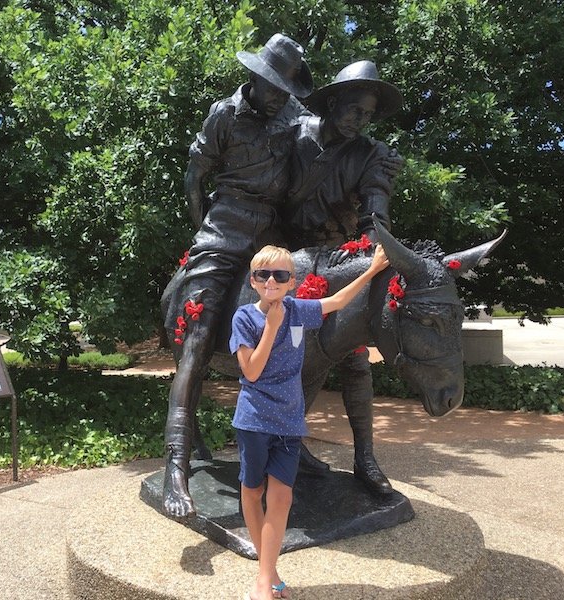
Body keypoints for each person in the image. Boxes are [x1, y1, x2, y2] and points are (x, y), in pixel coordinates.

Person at [162, 34, 314, 519]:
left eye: (284, 90)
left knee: (297, 329)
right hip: (224, 229)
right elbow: (195, 174)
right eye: (272, 86)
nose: (277, 96)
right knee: (199, 336)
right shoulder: (223, 114)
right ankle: (175, 468)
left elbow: (322, 144)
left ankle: (291, 438)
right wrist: (204, 229)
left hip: (272, 233)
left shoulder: (292, 119)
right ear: (255, 77)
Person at [231, 243, 390, 600]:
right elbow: (251, 371)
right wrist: (272, 327)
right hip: (255, 419)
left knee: (282, 497)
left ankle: (262, 580)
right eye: (263, 275)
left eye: (281, 275)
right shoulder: (244, 317)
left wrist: (373, 269)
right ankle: (269, 572)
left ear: (292, 282)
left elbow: (336, 302)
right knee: (253, 491)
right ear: (254, 280)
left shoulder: (298, 310)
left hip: (288, 421)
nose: (271, 281)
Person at [282, 60, 404, 494]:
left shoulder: (372, 154)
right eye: (354, 109)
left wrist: (377, 249)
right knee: (284, 350)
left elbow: (375, 211)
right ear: (332, 101)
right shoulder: (292, 135)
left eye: (369, 114)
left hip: (335, 256)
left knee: (354, 358)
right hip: (278, 251)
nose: (360, 120)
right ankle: (283, 445)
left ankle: (365, 459)